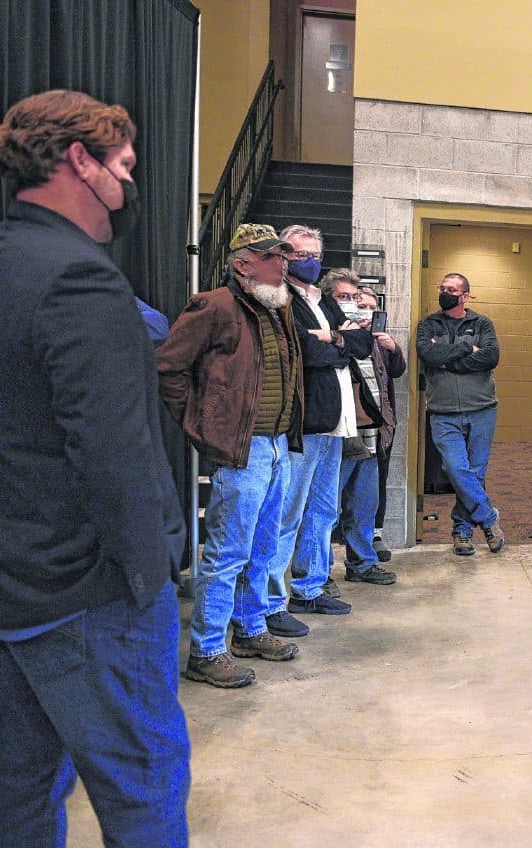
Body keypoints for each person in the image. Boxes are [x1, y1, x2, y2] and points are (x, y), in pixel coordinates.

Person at [0, 89, 190, 848]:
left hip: (4, 588)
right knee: (145, 784)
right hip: (92, 596)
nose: (128, 188)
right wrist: (150, 569)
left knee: (24, 784)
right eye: (122, 167)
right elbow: (114, 455)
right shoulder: (81, 282)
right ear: (80, 162)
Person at [156, 223, 304, 688]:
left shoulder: (279, 306)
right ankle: (207, 649)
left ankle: (251, 627)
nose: (282, 264)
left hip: (278, 445)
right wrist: (202, 425)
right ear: (243, 264)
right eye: (271, 256)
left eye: (282, 256)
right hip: (243, 451)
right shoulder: (214, 306)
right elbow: (168, 367)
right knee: (228, 553)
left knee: (265, 546)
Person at [263, 225, 374, 623]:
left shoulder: (324, 300)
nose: (308, 260)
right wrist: (333, 342)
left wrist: (333, 339)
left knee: (323, 511)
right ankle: (273, 601)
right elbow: (302, 352)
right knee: (288, 513)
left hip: (336, 424)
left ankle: (310, 588)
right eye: (299, 253)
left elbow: (362, 343)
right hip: (307, 423)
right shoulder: (282, 299)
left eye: (314, 253)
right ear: (285, 256)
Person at [324, 271, 406, 583]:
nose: (356, 307)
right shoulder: (330, 333)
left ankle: (360, 564)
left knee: (364, 504)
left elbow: (388, 378)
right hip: (340, 433)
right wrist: (343, 334)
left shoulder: (370, 339)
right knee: (326, 509)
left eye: (357, 300)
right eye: (346, 299)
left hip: (372, 431)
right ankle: (318, 575)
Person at [415, 272, 506, 555]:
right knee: (456, 469)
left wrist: (450, 359)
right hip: (443, 412)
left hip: (482, 409)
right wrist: (467, 348)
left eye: (452, 289)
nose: (445, 293)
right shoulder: (428, 324)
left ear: (465, 295)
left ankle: (462, 531)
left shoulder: (482, 323)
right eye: (442, 288)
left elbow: (491, 357)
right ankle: (488, 516)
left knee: (475, 473)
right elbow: (428, 356)